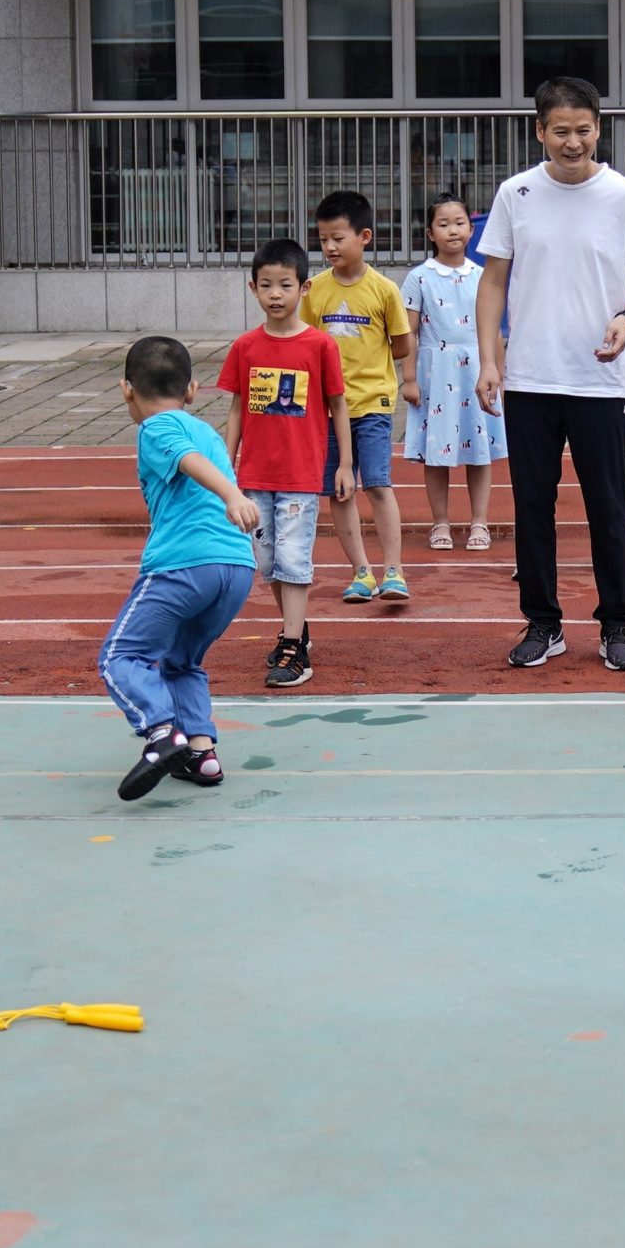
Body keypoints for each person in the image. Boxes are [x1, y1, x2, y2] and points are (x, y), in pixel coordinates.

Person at [477, 76, 625, 673]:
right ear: (539, 131)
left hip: (598, 383)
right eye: (561, 131)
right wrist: (489, 359)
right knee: (532, 507)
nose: (573, 142)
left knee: (608, 507)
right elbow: (493, 282)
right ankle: (543, 623)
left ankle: (616, 625)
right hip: (530, 380)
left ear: (598, 129)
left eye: (583, 130)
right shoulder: (516, 194)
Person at [101, 335, 260, 799]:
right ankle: (201, 752)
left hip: (184, 566)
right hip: (236, 567)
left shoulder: (156, 429)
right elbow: (201, 459)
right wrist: (231, 496)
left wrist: (231, 496)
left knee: (119, 657)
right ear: (193, 389)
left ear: (126, 390)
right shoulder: (206, 430)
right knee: (181, 660)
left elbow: (185, 462)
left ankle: (160, 730)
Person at [217, 240, 350, 690]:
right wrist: (226, 468)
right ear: (252, 288)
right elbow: (236, 410)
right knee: (268, 561)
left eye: (285, 285)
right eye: (266, 286)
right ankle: (297, 632)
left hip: (299, 477)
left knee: (294, 559)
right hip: (255, 476)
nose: (276, 294)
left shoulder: (320, 346)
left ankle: (293, 646)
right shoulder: (245, 347)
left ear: (304, 288)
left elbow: (338, 407)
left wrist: (345, 463)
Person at [307, 190, 415, 605]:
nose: (330, 247)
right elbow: (306, 343)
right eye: (322, 239)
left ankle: (394, 570)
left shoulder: (385, 290)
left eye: (338, 237)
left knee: (378, 484)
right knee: (340, 489)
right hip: (327, 407)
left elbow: (402, 345)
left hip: (372, 404)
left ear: (364, 236)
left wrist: (369, 365)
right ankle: (361, 572)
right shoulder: (313, 290)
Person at [400, 193, 505, 552]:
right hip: (435, 375)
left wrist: (501, 375)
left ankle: (480, 522)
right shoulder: (419, 278)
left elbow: (495, 332)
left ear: (472, 229)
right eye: (443, 224)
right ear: (430, 233)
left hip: (477, 371)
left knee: (480, 451)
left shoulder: (484, 277)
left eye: (459, 223)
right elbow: (408, 333)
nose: (452, 230)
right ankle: (440, 522)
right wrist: (410, 378)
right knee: (436, 453)